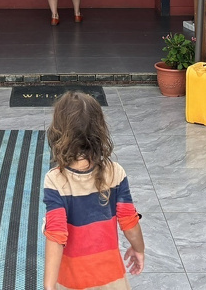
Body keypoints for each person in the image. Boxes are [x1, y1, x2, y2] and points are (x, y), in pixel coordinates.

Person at [42, 91, 144, 290]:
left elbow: (56, 235)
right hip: (112, 279)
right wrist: (139, 249)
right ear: (100, 131)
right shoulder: (116, 173)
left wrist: (49, 286)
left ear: (58, 133)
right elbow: (129, 221)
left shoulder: (56, 180)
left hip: (71, 281)